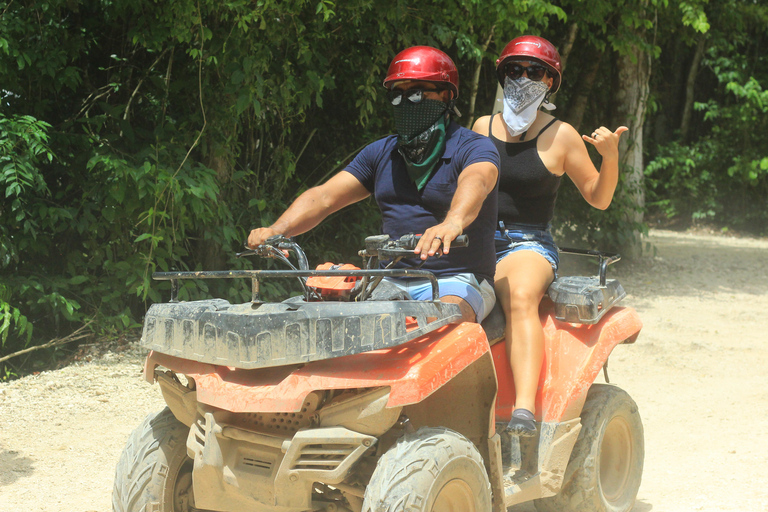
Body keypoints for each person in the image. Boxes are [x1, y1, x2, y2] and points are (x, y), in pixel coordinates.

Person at [248, 46, 500, 324]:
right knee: (322, 319)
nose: (406, 102)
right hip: (387, 280)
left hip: (458, 280)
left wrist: (453, 222)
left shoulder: (474, 147)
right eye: (397, 95)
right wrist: (277, 231)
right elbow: (324, 197)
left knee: (442, 323)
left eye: (416, 93)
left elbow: (477, 180)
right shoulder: (382, 152)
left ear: (445, 95)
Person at [471, 35, 628, 436]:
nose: (523, 77)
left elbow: (598, 197)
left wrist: (609, 156)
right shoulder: (481, 127)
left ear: (550, 82)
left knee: (519, 294)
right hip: (477, 236)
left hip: (527, 242)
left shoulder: (562, 135)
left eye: (534, 71)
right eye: (514, 69)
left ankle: (523, 411)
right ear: (502, 75)